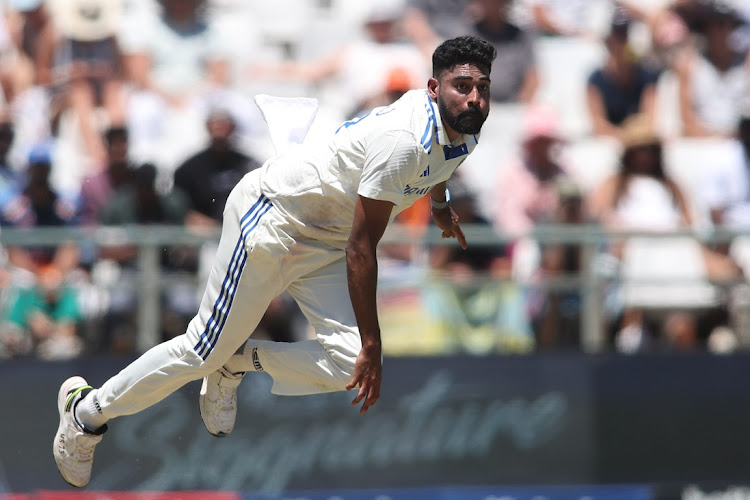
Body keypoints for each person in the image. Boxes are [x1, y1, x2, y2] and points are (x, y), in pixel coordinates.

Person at [52, 35, 497, 488]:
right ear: (433, 88)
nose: (475, 97)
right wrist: (374, 342)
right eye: (462, 85)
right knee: (202, 349)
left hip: (326, 236)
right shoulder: (404, 141)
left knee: (348, 365)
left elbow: (442, 162)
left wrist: (440, 206)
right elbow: (362, 249)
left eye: (482, 86)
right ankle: (86, 412)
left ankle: (238, 363)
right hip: (273, 218)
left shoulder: (468, 125)